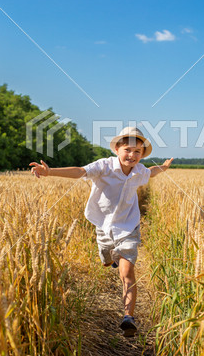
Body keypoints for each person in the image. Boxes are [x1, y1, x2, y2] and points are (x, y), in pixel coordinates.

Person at [29, 126, 173, 337]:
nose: (132, 155)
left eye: (137, 152)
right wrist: (51, 172)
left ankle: (128, 318)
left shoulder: (140, 170)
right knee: (106, 259)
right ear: (117, 148)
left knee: (127, 272)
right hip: (103, 225)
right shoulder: (103, 166)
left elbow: (151, 173)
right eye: (128, 150)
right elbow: (80, 171)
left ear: (142, 155)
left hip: (128, 227)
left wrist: (165, 167)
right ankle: (110, 259)